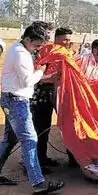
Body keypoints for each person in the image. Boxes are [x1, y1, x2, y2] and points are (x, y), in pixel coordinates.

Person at [0, 23, 64, 195]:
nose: (37, 49)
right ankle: (38, 183)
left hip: (12, 99)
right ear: (27, 39)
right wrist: (41, 70)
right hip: (16, 101)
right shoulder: (20, 54)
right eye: (36, 45)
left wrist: (43, 73)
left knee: (10, 139)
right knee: (30, 140)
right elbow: (27, 81)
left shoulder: (19, 50)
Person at [31, 27, 71, 169]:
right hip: (43, 94)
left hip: (59, 93)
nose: (67, 42)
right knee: (41, 128)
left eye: (69, 40)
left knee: (67, 125)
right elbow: (36, 75)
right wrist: (52, 78)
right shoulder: (46, 51)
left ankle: (45, 158)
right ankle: (36, 162)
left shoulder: (66, 53)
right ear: (57, 38)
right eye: (65, 39)